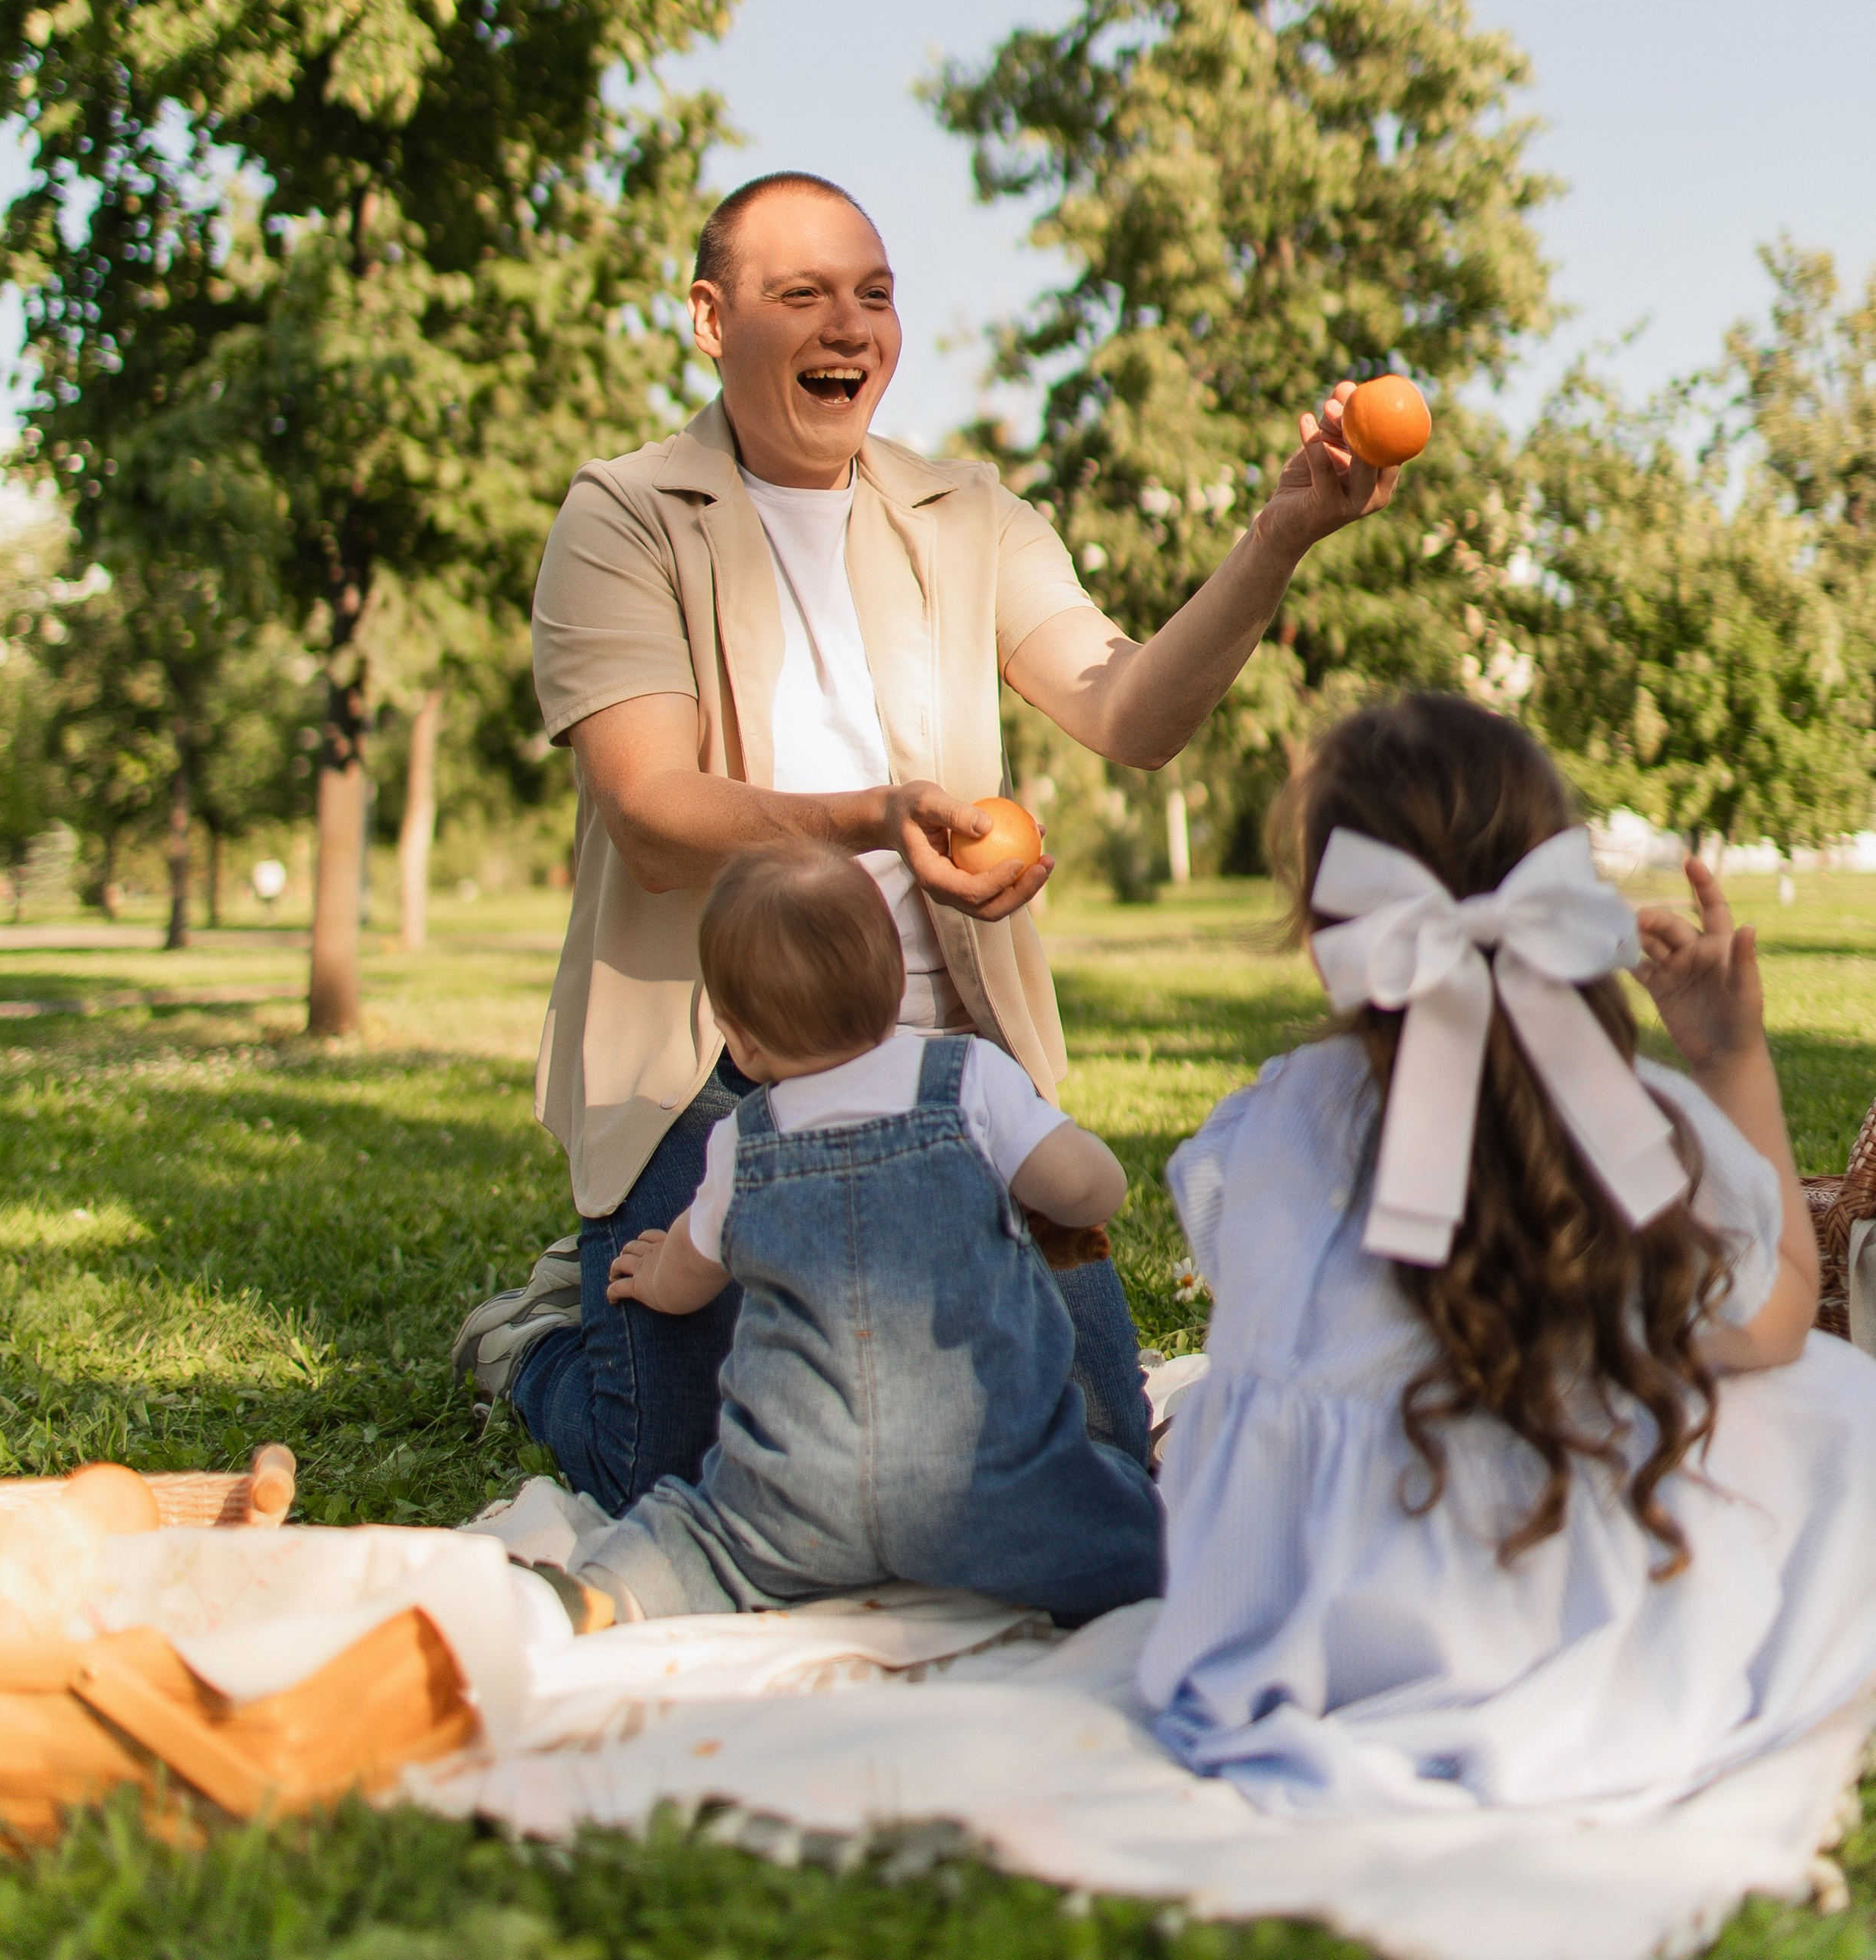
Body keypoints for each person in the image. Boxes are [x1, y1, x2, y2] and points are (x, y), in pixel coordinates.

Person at [455, 167, 1400, 1514]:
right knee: (689, 1472)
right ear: (713, 320)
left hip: (942, 1054)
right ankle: (542, 1338)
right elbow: (653, 815)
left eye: (876, 296)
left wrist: (1281, 536)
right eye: (804, 297)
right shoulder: (622, 517)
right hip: (717, 1060)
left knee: (1084, 1450)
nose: (851, 328)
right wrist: (875, 818)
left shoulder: (970, 518)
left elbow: (1128, 711)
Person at [1140, 692, 1876, 1814]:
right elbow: (1778, 1320)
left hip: (1303, 1620)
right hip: (1560, 1602)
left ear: (1325, 921)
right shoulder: (1622, 1122)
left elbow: (1261, 1329)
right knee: (1831, 1395)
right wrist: (1730, 1055)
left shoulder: (1272, 1125)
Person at [561, 841, 1163, 1627]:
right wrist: (1068, 1187)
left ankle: (594, 1594)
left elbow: (688, 1274)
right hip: (990, 1485)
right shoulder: (969, 1080)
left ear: (739, 1040)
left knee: (694, 1540)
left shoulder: (742, 1143)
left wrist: (650, 1276)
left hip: (792, 1497)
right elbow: (1089, 1188)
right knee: (1135, 1531)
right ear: (893, 987)